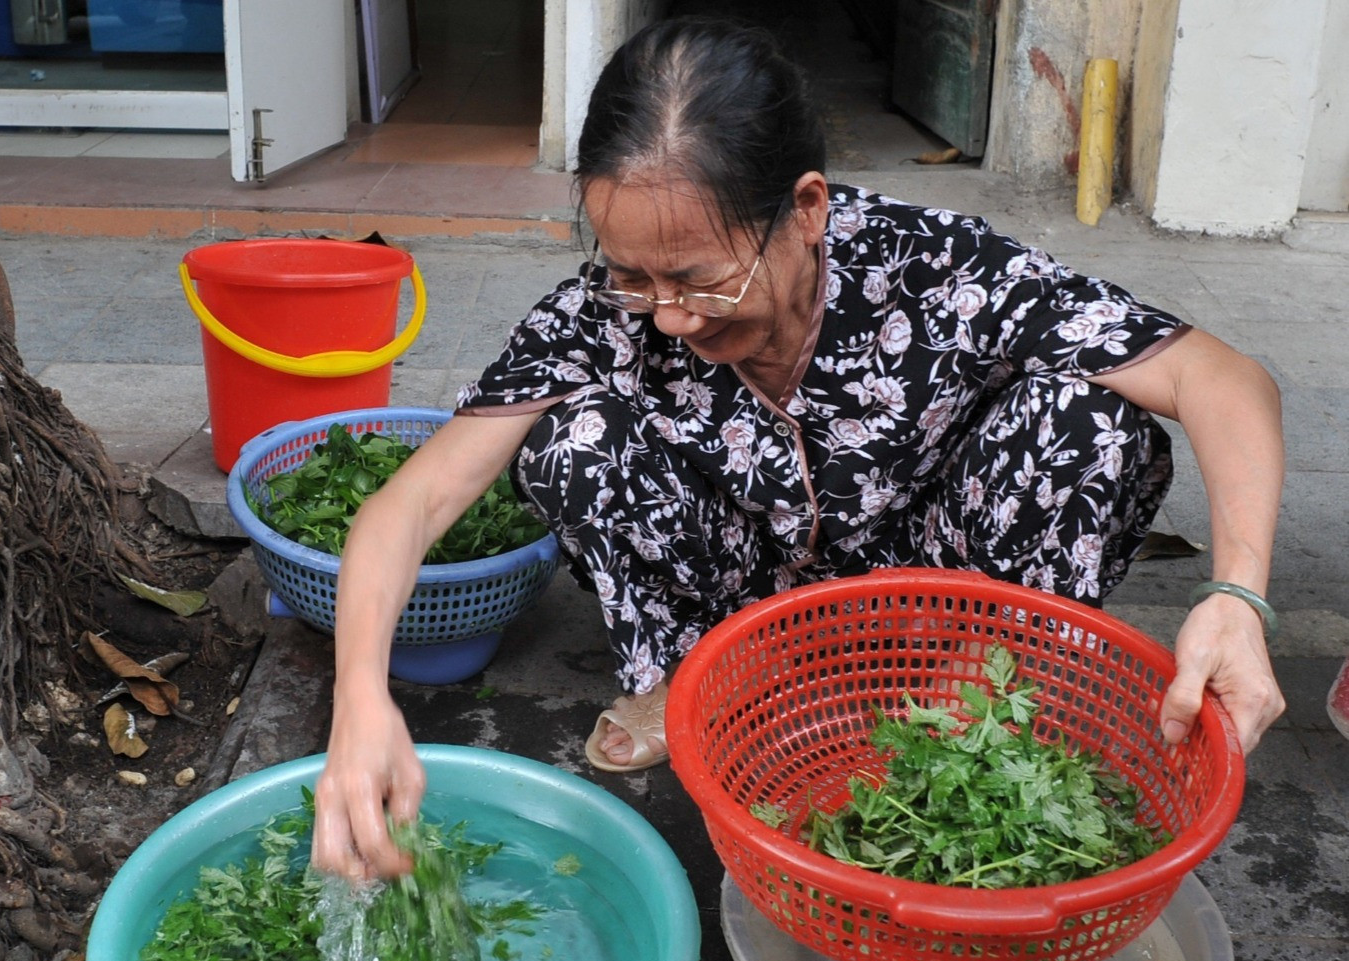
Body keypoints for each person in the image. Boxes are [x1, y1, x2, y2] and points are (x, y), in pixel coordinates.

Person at [312, 16, 1287, 882]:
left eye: (699, 279)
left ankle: (960, 695)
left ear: (807, 210)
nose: (671, 317)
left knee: (1093, 429)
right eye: (632, 276)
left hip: (928, 585)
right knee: (572, 442)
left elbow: (1224, 380)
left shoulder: (939, 273)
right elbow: (416, 502)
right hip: (737, 575)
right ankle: (689, 675)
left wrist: (1236, 596)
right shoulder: (610, 315)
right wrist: (360, 700)